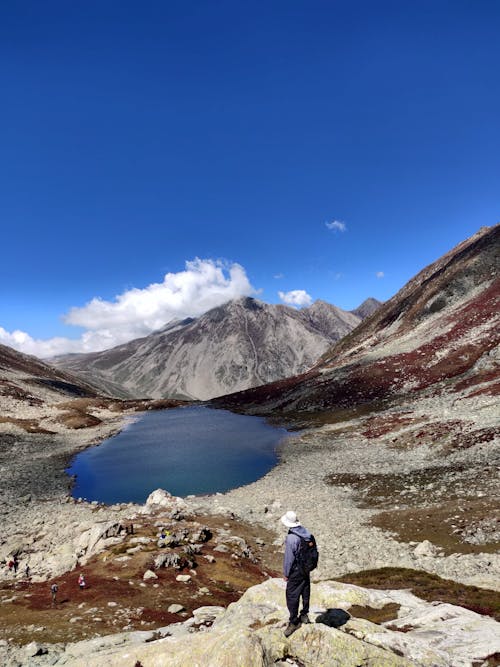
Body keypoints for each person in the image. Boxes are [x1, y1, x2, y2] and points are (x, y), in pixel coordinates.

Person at [281, 510, 312, 637]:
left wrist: (286, 573)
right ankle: (304, 614)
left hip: (296, 571)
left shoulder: (292, 538)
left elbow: (289, 558)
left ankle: (294, 622)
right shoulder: (306, 533)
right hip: (306, 568)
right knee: (305, 590)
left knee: (292, 595)